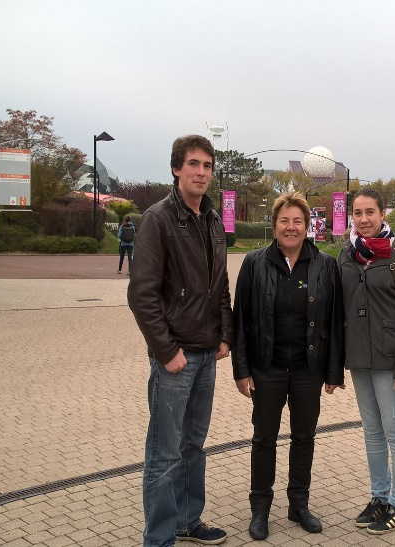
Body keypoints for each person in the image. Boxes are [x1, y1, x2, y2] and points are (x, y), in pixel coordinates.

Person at [128, 135, 233, 546]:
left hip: (207, 354)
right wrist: (167, 351)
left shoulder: (211, 220)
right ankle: (159, 538)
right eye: (193, 164)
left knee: (194, 446)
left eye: (207, 165)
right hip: (177, 358)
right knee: (165, 453)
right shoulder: (159, 218)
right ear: (176, 168)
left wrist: (225, 335)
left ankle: (188, 521)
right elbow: (141, 294)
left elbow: (220, 285)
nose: (201, 172)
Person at [232, 192, 345, 540]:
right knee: (264, 439)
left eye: (298, 221)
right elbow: (240, 321)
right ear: (275, 224)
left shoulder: (325, 264)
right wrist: (242, 369)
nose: (291, 227)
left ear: (307, 226)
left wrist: (332, 371)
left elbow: (335, 317)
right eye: (284, 220)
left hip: (308, 370)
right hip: (266, 368)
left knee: (304, 437)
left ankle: (298, 504)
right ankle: (260, 509)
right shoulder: (254, 262)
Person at [337, 187, 395, 535]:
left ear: (383, 214)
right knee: (373, 433)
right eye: (357, 213)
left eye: (370, 213)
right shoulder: (347, 254)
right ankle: (379, 498)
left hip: (393, 362)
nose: (363, 220)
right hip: (360, 359)